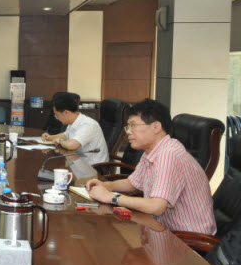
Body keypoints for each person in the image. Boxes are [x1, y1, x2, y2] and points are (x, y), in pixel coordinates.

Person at [86, 98, 216, 235]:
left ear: (156, 127)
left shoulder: (169, 154)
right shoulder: (152, 151)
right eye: (128, 127)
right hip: (162, 229)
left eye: (133, 125)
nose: (128, 131)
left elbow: (156, 207)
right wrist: (107, 186)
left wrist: (112, 197)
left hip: (188, 239)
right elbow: (133, 183)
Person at [41, 92, 108, 165]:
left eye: (56, 115)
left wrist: (60, 141)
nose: (57, 118)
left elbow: (72, 145)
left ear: (66, 113)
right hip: (79, 162)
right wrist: (50, 137)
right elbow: (66, 135)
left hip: (94, 167)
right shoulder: (74, 121)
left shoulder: (88, 124)